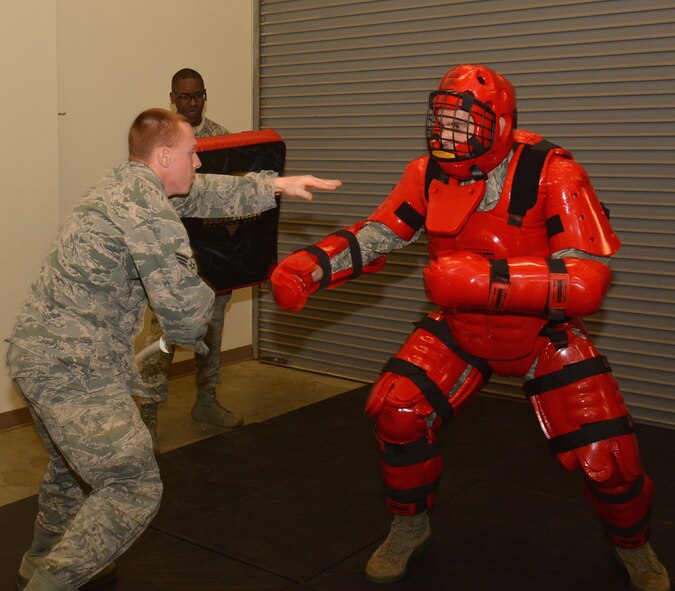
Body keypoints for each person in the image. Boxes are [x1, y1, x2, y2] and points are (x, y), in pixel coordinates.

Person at [270, 64, 671, 591]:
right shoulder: (427, 173)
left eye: (464, 124)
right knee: (398, 411)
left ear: (500, 125)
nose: (448, 135)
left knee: (609, 458)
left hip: (542, 335)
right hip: (461, 330)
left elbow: (588, 280)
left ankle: (634, 546)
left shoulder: (553, 172)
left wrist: (484, 280)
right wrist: (313, 266)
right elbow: (380, 234)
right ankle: (408, 525)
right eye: (442, 121)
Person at [6, 107, 340, 591]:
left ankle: (39, 558)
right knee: (132, 485)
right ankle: (51, 582)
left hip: (38, 354)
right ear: (164, 156)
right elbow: (185, 312)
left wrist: (273, 186)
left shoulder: (128, 182)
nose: (199, 164)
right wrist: (202, 308)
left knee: (69, 466)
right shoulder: (145, 207)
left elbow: (204, 192)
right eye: (192, 154)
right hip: (72, 366)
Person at [138, 68, 241, 450]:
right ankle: (147, 417)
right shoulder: (156, 142)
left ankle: (206, 401)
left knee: (211, 330)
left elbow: (234, 194)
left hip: (213, 253)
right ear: (173, 99)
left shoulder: (222, 139)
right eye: (184, 97)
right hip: (170, 254)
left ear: (204, 96)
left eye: (197, 96)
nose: (192, 103)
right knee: (162, 337)